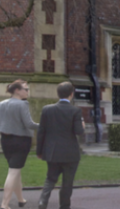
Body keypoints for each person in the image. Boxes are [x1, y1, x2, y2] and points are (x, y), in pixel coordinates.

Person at [36, 80, 85, 209]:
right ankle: (64, 206)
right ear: (71, 94)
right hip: (70, 154)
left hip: (52, 152)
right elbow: (78, 131)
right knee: (67, 183)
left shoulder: (47, 109)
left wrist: (39, 151)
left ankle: (43, 201)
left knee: (50, 179)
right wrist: (82, 124)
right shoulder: (75, 110)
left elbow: (41, 132)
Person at [0, 80, 38, 209]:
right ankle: (4, 204)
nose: (28, 91)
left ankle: (20, 199)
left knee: (15, 170)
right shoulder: (22, 105)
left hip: (5, 140)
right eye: (26, 89)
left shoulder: (0, 104)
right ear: (17, 90)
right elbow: (29, 124)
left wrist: (8, 126)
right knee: (13, 171)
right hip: (21, 141)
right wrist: (45, 126)